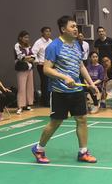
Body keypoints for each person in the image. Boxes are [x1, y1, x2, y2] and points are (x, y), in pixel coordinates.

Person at [31, 15, 100, 164]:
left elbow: (81, 66)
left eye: (76, 26)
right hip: (59, 92)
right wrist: (64, 77)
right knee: (55, 122)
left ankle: (83, 152)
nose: (76, 29)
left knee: (82, 119)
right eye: (72, 26)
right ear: (63, 29)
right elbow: (46, 69)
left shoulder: (77, 45)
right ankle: (39, 149)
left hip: (76, 90)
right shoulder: (54, 46)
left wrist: (91, 83)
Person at [14, 30, 36, 115]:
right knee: (21, 88)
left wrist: (29, 57)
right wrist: (29, 57)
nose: (27, 39)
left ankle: (27, 104)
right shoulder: (17, 45)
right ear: (20, 38)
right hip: (21, 68)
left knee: (30, 87)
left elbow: (34, 57)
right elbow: (20, 57)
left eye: (28, 37)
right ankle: (20, 106)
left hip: (30, 68)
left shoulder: (28, 46)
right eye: (25, 37)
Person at [32, 26, 53, 107]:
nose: (48, 33)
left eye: (49, 31)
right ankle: (45, 101)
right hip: (42, 65)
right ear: (42, 33)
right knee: (45, 83)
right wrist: (38, 61)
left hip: (50, 65)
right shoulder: (38, 42)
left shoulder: (51, 41)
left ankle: (49, 100)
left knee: (50, 83)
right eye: (46, 31)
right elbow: (33, 53)